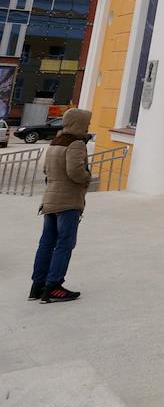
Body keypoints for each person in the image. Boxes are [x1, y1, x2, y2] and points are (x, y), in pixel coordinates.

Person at [29, 108, 93, 303]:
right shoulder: (76, 144)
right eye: (86, 123)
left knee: (46, 243)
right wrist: (87, 176)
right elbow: (75, 172)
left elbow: (46, 170)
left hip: (50, 200)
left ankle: (37, 286)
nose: (88, 126)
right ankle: (54, 286)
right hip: (68, 202)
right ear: (79, 124)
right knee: (65, 244)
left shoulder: (56, 142)